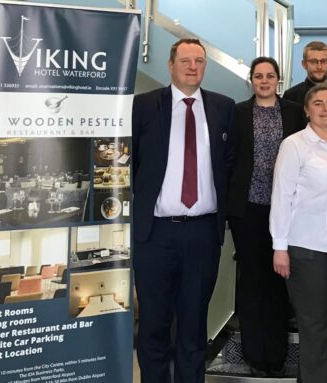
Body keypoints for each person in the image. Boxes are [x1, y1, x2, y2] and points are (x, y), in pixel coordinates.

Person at [132, 38, 237, 383]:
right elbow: (131, 164)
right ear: (171, 64)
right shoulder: (144, 106)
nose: (193, 67)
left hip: (202, 234)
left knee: (193, 326)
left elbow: (228, 164)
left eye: (200, 61)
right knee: (153, 325)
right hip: (156, 234)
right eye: (186, 60)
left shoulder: (223, 107)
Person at [270, 85, 327, 382]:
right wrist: (279, 247)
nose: (326, 108)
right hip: (304, 246)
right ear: (307, 110)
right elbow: (282, 196)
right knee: (314, 325)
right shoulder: (294, 145)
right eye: (318, 103)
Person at [226, 56, 305, 378]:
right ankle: (254, 353)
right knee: (252, 280)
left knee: (277, 282)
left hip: (286, 209)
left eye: (269, 75)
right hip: (249, 209)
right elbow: (229, 157)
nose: (264, 81)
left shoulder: (295, 111)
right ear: (251, 80)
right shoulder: (237, 113)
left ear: (278, 79)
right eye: (258, 76)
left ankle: (276, 353)